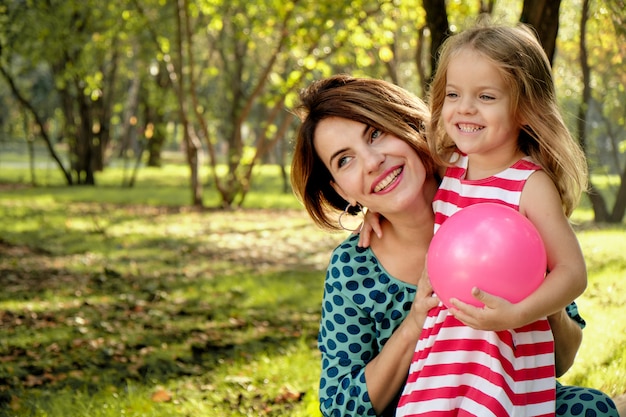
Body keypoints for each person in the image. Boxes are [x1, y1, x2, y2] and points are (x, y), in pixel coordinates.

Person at [290, 74, 619, 417]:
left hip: (506, 406)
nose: (372, 162)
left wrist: (535, 295)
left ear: (406, 125)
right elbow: (340, 407)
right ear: (341, 189)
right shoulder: (353, 268)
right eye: (345, 160)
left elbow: (561, 363)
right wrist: (416, 321)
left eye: (375, 134)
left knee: (591, 408)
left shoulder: (499, 205)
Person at [393, 22, 614, 416]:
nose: (465, 108)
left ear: (526, 110)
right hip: (442, 363)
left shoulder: (529, 185)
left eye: (486, 96)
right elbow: (398, 192)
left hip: (500, 367)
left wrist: (518, 315)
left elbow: (571, 272)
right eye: (454, 94)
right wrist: (371, 216)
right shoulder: (449, 170)